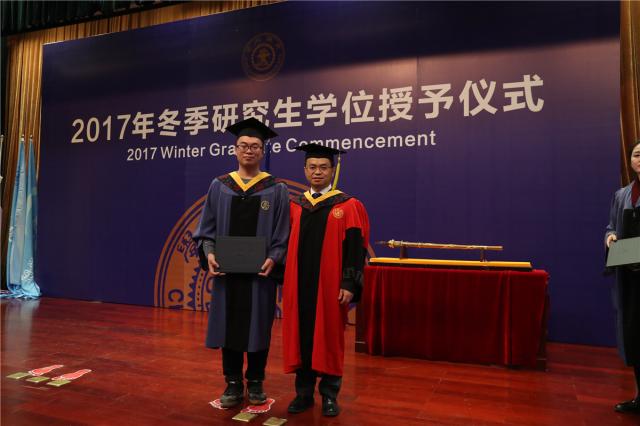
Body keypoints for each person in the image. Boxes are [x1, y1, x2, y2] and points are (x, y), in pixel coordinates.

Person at [192, 117, 290, 408]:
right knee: (229, 325)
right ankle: (233, 382)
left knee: (259, 326)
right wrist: (209, 253)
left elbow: (282, 233)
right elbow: (206, 229)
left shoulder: (276, 188)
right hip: (227, 273)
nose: (249, 150)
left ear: (263, 151)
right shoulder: (219, 186)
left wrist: (274, 258)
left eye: (255, 146)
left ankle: (256, 380)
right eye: (244, 145)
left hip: (260, 274)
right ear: (235, 150)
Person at [282, 143, 370, 417]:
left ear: (333, 170)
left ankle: (330, 395)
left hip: (330, 287)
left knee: (329, 337)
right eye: (312, 167)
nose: (317, 172)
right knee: (301, 337)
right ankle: (303, 393)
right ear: (305, 170)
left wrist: (349, 283)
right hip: (299, 285)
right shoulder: (296, 206)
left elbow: (355, 248)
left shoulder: (347, 205)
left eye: (323, 167)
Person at [605, 139, 640, 414]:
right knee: (634, 336)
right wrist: (610, 238)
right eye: (637, 154)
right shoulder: (622, 195)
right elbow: (610, 227)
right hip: (629, 275)